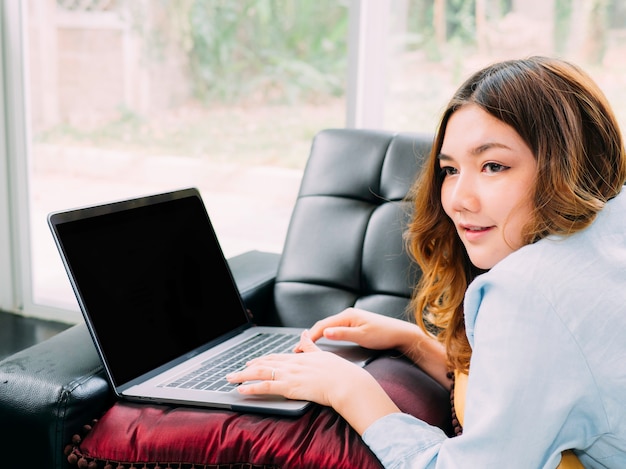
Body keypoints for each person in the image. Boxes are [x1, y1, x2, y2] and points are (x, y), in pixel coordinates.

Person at [227, 56, 626, 468]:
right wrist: (417, 344)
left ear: (569, 165)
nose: (457, 199)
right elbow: (551, 381)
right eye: (450, 170)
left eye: (493, 166)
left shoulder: (528, 290)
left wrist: (349, 389)